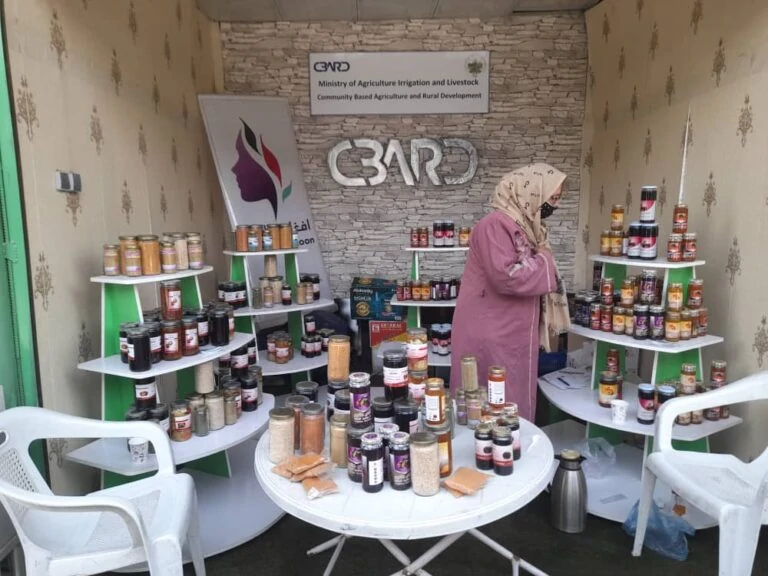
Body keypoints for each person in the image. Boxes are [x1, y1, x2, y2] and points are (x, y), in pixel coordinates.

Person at [450, 163, 571, 421]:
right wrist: (545, 259)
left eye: (558, 198)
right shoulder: (494, 225)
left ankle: (513, 443)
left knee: (510, 399)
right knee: (488, 402)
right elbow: (507, 276)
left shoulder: (525, 227)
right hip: (492, 332)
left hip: (511, 330)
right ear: (530, 193)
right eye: (552, 198)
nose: (556, 205)